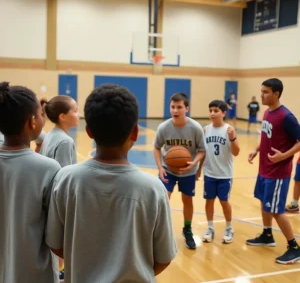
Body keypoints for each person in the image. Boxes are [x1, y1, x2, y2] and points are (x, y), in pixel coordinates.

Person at [45, 84, 177, 283]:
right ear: (134, 133)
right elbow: (163, 258)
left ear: (88, 131)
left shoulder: (65, 179)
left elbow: (55, 243)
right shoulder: (153, 189)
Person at [0, 82, 61, 283]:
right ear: (32, 122)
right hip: (35, 274)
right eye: (40, 114)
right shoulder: (48, 169)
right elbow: (56, 237)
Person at [246, 78, 300, 264]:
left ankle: (294, 247)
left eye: (266, 92)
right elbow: (267, 137)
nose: (262, 95)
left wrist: (284, 156)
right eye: (261, 91)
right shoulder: (268, 112)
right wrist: (257, 149)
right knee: (264, 202)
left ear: (276, 94)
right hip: (264, 169)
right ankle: (267, 234)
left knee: (277, 210)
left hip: (277, 172)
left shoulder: (286, 117)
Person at [153, 92, 206, 250]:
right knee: (163, 198)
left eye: (179, 107)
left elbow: (202, 150)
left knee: (187, 200)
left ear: (187, 108)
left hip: (188, 171)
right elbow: (156, 147)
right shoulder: (164, 127)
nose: (175, 110)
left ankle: (187, 229)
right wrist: (160, 167)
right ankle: (157, 231)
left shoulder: (195, 128)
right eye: (172, 107)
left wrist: (194, 164)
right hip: (168, 169)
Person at [39, 95, 79, 280]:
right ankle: (61, 272)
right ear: (63, 116)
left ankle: (59, 270)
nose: (79, 114)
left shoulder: (50, 135)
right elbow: (64, 177)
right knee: (62, 238)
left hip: (47, 194)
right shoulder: (65, 141)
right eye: (75, 111)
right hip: (58, 199)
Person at [200, 100, 240, 244]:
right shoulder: (205, 130)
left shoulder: (229, 130)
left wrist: (233, 138)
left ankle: (229, 227)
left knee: (224, 201)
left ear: (223, 113)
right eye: (210, 110)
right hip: (209, 173)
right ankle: (210, 227)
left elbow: (236, 152)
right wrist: (198, 170)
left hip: (225, 174)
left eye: (216, 110)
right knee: (209, 201)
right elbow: (202, 152)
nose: (212, 113)